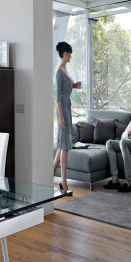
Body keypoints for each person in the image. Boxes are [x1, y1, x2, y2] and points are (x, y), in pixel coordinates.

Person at [53, 41, 82, 194]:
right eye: (70, 53)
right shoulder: (59, 71)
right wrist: (61, 118)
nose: (71, 55)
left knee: (64, 144)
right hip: (62, 108)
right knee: (65, 147)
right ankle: (63, 181)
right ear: (65, 54)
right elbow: (58, 96)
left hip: (67, 107)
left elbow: (66, 88)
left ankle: (50, 173)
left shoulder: (65, 69)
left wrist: (74, 85)